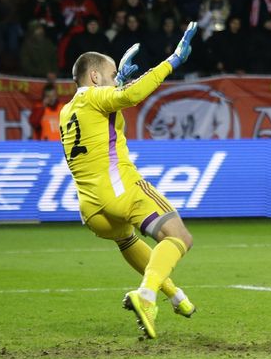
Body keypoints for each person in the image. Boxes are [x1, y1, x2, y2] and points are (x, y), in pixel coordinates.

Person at [58, 22, 199, 339]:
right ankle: (146, 296)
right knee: (179, 237)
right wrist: (173, 60)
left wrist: (119, 81)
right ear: (95, 78)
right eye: (111, 76)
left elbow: (110, 109)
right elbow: (131, 95)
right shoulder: (95, 98)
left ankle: (174, 295)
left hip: (91, 209)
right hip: (119, 188)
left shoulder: (67, 111)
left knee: (128, 240)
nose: (115, 81)